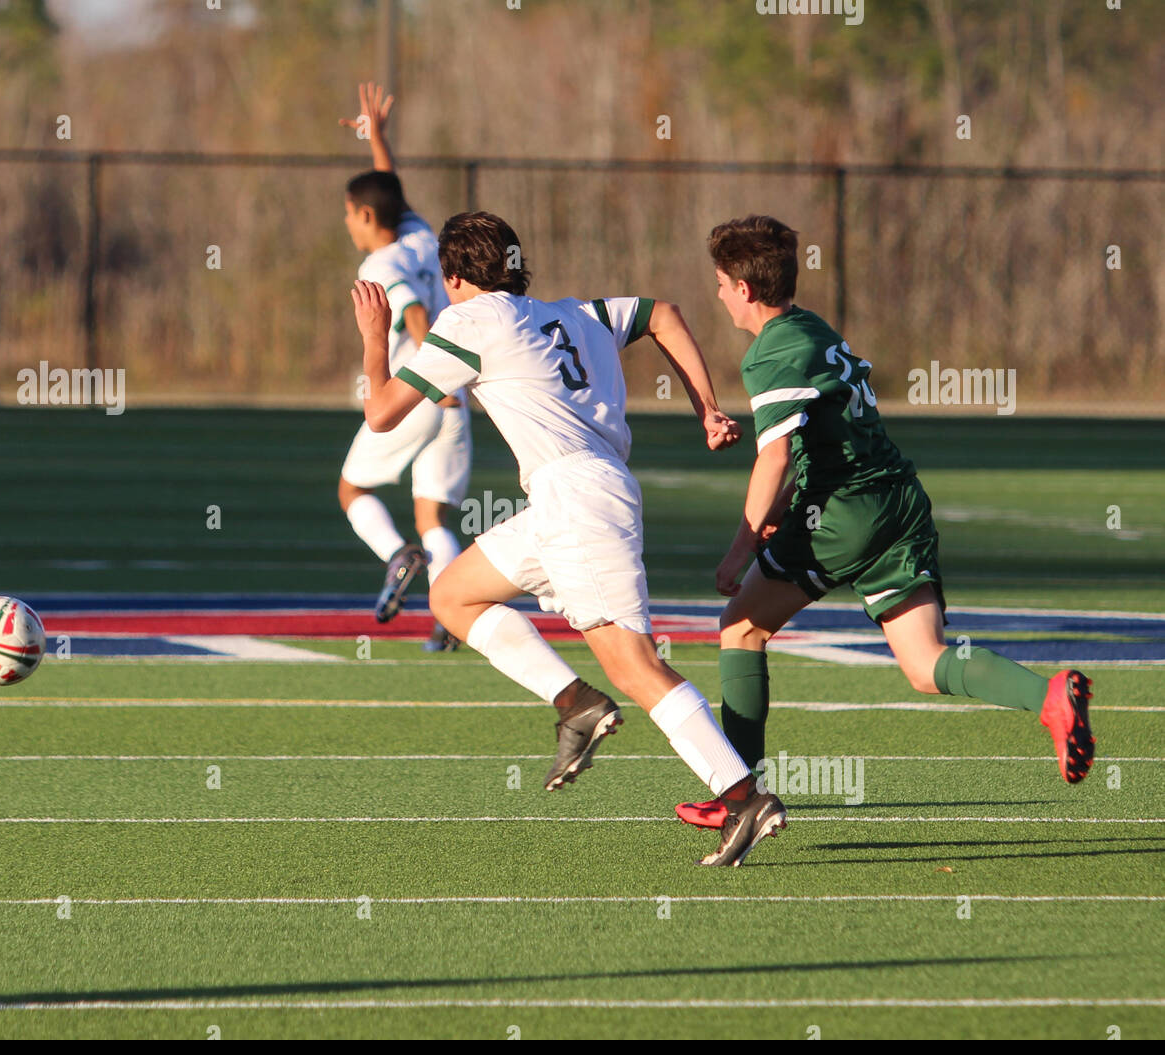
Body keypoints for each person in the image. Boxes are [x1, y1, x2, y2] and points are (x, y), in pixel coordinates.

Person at [350, 210, 786, 867]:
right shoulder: (579, 313)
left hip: (575, 502)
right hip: (571, 498)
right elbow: (663, 313)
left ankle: (744, 795)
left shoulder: (469, 320)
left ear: (455, 276)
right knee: (452, 596)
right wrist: (707, 407)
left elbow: (381, 413)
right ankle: (575, 703)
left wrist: (374, 336)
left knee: (635, 666)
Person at [678, 214, 1095, 833]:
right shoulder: (812, 327)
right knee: (926, 666)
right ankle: (1050, 697)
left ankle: (740, 794)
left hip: (843, 513)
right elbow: (806, 442)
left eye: (719, 282)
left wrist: (740, 548)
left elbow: (775, 457)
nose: (715, 294)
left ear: (743, 289)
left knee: (739, 627)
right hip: (899, 500)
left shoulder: (768, 351)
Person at [337, 83, 470, 651]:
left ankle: (396, 557)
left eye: (349, 213)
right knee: (432, 512)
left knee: (350, 490)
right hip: (459, 393)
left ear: (365, 216)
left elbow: (414, 316)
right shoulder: (419, 238)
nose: (348, 222)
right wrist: (379, 142)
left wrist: (431, 381)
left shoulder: (380, 261)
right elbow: (394, 195)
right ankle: (451, 614)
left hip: (420, 390)